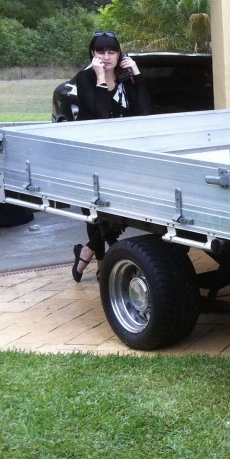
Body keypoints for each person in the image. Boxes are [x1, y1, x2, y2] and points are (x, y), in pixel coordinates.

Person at [71, 31, 153, 281]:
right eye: (100, 52)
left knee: (121, 210)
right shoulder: (85, 78)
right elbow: (101, 114)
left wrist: (136, 75)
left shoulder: (126, 78)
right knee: (95, 210)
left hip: (123, 155)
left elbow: (145, 112)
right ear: (93, 54)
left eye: (111, 52)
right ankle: (101, 261)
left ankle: (86, 250)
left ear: (120, 54)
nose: (106, 57)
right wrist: (99, 77)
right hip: (93, 153)